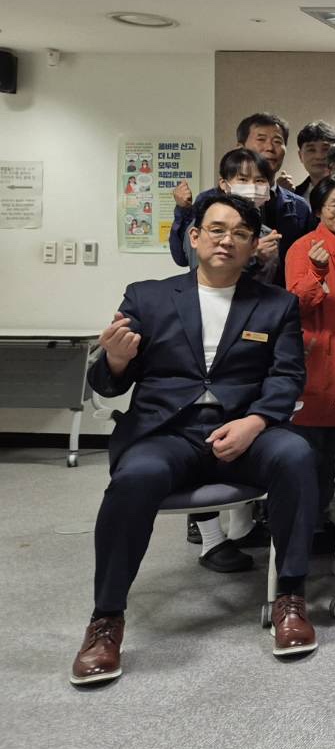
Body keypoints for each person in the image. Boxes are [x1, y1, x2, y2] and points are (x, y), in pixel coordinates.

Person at [71, 193, 319, 686]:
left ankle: (290, 596)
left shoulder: (277, 304)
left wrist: (256, 422)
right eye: (217, 230)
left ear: (253, 247)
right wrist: (116, 360)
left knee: (296, 454)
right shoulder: (147, 297)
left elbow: (287, 376)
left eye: (241, 234)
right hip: (167, 433)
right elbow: (109, 383)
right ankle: (106, 619)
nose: (228, 240)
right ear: (195, 236)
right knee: (135, 477)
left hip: (244, 431)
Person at [285, 175, 335, 513]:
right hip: (318, 363)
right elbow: (295, 305)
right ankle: (309, 523)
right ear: (318, 210)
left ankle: (330, 519)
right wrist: (317, 273)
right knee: (315, 449)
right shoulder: (304, 247)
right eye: (334, 205)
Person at [170, 113, 311, 273]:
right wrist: (252, 256)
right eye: (261, 139)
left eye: (277, 141)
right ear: (240, 147)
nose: (270, 148)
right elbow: (186, 259)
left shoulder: (298, 207)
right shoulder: (208, 201)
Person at [170, 149, 286, 285]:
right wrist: (252, 255)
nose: (252, 186)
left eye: (260, 180)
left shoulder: (267, 233)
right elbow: (208, 277)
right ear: (224, 184)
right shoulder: (207, 225)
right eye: (243, 179)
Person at [292, 120, 335, 199]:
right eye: (311, 150)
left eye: (326, 149)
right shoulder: (292, 196)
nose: (319, 156)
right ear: (300, 156)